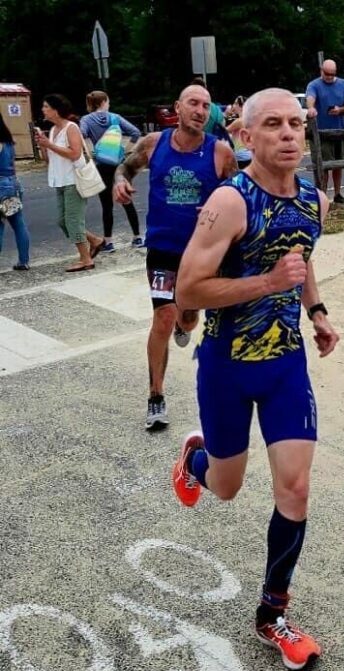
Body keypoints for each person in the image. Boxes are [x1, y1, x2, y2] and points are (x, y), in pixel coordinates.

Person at [172, 88, 339, 671]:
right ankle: (197, 459)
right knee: (226, 488)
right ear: (246, 136)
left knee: (294, 489)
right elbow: (188, 289)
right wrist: (266, 284)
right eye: (273, 124)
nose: (289, 134)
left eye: (296, 123)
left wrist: (315, 312)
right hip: (226, 366)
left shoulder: (317, 197)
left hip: (285, 365)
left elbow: (301, 254)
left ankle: (273, 614)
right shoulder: (230, 201)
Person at [113, 84, 237, 431]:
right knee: (164, 318)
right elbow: (125, 168)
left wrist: (221, 207)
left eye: (207, 106)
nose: (200, 110)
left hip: (202, 252)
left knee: (188, 320)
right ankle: (155, 396)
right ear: (177, 109)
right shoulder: (154, 145)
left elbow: (241, 195)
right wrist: (119, 183)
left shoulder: (221, 152)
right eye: (194, 103)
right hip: (164, 250)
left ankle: (186, 321)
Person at [35, 94, 104, 272]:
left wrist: (49, 146)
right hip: (60, 180)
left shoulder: (71, 128)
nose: (43, 110)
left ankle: (86, 259)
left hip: (74, 179)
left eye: (46, 106)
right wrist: (43, 145)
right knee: (63, 221)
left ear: (56, 110)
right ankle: (95, 240)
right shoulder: (52, 131)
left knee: (73, 221)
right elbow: (48, 159)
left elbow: (74, 153)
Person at [80, 90, 143, 252]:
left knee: (106, 205)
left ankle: (108, 242)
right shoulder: (115, 118)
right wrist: (125, 150)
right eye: (107, 101)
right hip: (119, 166)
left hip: (101, 166)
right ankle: (137, 237)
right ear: (104, 102)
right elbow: (135, 132)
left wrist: (92, 153)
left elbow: (81, 136)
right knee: (127, 200)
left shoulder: (86, 120)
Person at [306, 59, 344, 203]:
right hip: (322, 134)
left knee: (338, 165)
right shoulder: (314, 85)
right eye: (327, 74)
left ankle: (338, 193)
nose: (329, 77)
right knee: (323, 167)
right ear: (322, 71)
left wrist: (341, 109)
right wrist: (311, 108)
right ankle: (322, 196)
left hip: (339, 131)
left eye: (332, 74)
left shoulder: (343, 84)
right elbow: (310, 98)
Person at [0, 113, 31, 270]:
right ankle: (24, 261)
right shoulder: (7, 141)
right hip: (12, 183)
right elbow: (13, 165)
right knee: (18, 224)